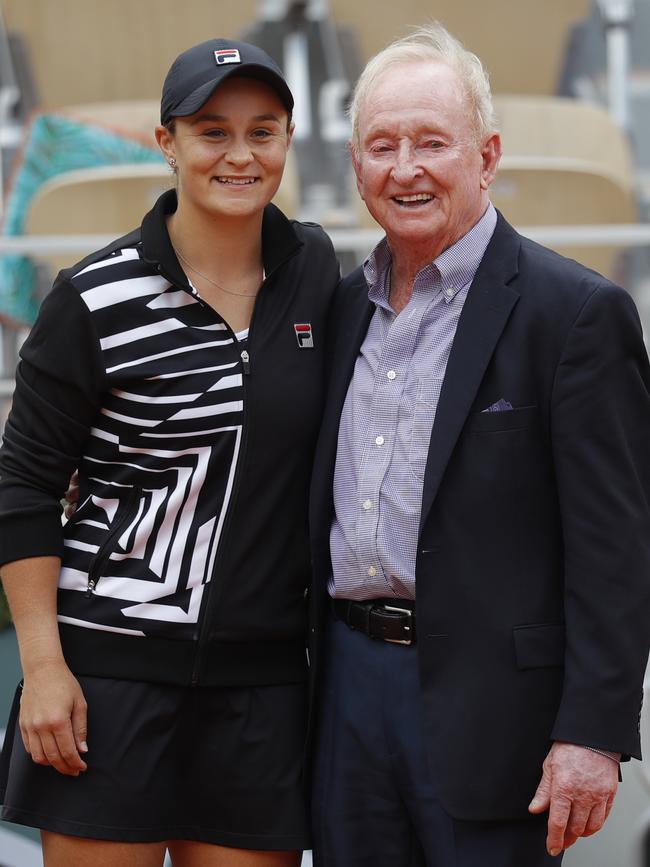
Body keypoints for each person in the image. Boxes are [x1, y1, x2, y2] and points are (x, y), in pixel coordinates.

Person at [307, 23, 650, 867]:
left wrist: (593, 734)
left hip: (499, 717)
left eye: (432, 141)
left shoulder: (574, 314)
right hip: (347, 693)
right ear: (356, 167)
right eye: (381, 145)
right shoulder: (341, 309)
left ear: (487, 155)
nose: (405, 167)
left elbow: (619, 548)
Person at [0, 38, 339, 867]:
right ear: (168, 143)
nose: (239, 153)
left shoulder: (320, 277)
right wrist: (43, 667)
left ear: (288, 141)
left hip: (261, 688)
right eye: (211, 131)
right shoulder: (93, 295)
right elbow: (23, 486)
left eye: (263, 131)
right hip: (107, 682)